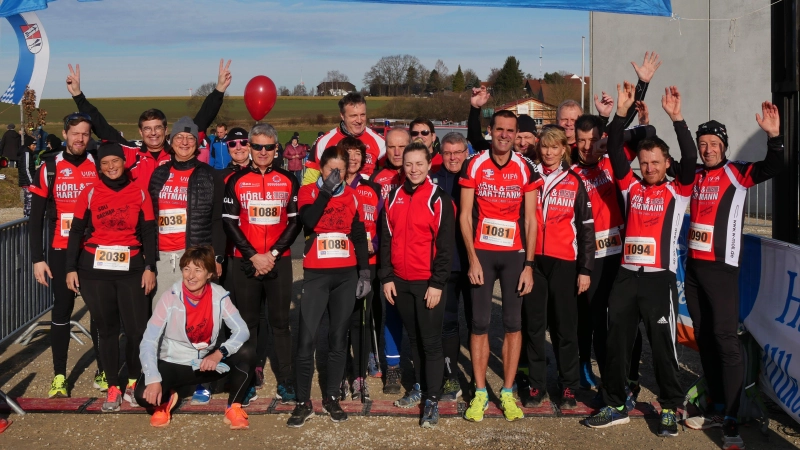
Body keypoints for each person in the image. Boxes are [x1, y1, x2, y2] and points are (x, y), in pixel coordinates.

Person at [586, 83, 696, 437]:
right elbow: (615, 146)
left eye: (655, 163)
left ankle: (669, 406)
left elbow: (690, 159)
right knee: (616, 342)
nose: (648, 167)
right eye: (644, 162)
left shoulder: (677, 191)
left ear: (667, 164)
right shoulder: (629, 186)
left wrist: (676, 118)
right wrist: (621, 111)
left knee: (663, 346)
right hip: (626, 277)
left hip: (658, 278)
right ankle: (617, 402)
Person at [680, 103, 783, 449]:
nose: (708, 149)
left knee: (725, 340)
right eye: (703, 143)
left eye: (714, 144)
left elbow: (773, 166)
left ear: (724, 146)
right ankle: (717, 404)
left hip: (722, 269)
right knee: (704, 337)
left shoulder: (736, 173)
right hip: (694, 268)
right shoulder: (694, 174)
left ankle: (732, 418)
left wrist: (774, 137)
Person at [460, 109, 543, 422]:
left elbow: (532, 220)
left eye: (511, 130)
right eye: (500, 130)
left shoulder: (525, 168)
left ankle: (507, 392)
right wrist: (471, 259)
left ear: (515, 132)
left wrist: (529, 265)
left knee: (512, 324)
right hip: (482, 253)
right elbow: (465, 216)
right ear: (490, 130)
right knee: (479, 324)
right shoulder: (476, 163)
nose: (505, 135)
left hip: (514, 256)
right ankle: (480, 392)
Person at [64, 142, 157, 411]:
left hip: (131, 266)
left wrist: (150, 266)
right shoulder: (90, 192)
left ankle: (132, 381)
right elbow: (76, 231)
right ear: (99, 167)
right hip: (94, 267)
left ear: (124, 162)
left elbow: (149, 232)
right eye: (104, 163)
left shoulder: (139, 191)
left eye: (115, 161)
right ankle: (113, 387)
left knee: (136, 330)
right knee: (107, 330)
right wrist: (70, 268)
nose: (110, 167)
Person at [571, 112, 655, 402]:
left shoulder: (613, 160)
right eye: (581, 141)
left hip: (621, 255)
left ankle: (630, 379)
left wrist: (609, 140)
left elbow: (648, 131)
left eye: (593, 140)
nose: (587, 147)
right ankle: (610, 383)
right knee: (597, 324)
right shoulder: (571, 172)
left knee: (625, 322)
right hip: (591, 259)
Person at [288, 146, 371, 427]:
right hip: (316, 275)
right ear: (321, 169)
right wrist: (326, 190)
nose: (336, 175)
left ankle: (332, 397)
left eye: (341, 171)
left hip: (345, 276)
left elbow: (358, 234)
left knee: (338, 339)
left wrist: (365, 273)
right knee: (306, 340)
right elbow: (308, 221)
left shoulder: (352, 195)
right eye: (331, 170)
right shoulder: (308, 191)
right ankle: (302, 401)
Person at [222, 123, 301, 406]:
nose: (263, 151)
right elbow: (229, 223)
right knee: (248, 324)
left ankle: (287, 381)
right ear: (250, 148)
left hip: (278, 261)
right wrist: (253, 255)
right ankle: (247, 380)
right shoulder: (236, 180)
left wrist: (274, 254)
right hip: (246, 262)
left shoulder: (289, 179)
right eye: (257, 146)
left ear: (276, 148)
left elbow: (295, 222)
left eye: (269, 146)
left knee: (281, 324)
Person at [29, 113, 106, 398]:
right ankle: (60, 376)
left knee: (99, 313)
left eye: (85, 134)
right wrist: (38, 258)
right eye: (75, 133)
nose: (80, 139)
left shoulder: (97, 164)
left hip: (91, 250)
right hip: (60, 250)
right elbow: (35, 218)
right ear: (65, 134)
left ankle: (104, 370)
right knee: (61, 312)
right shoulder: (50, 166)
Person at [136, 245, 254, 430]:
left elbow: (242, 330)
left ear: (209, 274)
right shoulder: (170, 297)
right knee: (143, 395)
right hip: (173, 362)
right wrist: (153, 379)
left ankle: (234, 407)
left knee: (247, 352)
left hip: (205, 363)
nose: (190, 276)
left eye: (198, 270)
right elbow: (149, 339)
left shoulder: (220, 296)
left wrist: (219, 353)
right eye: (186, 269)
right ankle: (166, 399)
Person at [66, 61, 231, 191]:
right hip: (142, 227)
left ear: (165, 130)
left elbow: (202, 121)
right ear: (140, 131)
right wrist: (77, 95)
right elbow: (102, 127)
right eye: (147, 128)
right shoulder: (131, 153)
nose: (153, 133)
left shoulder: (179, 150)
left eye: (158, 127)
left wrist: (219, 90)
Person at [381, 141, 454, 428]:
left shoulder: (439, 198)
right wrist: (386, 277)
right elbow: (387, 239)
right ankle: (421, 388)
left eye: (419, 164)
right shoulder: (393, 196)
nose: (413, 169)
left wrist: (437, 283)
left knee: (431, 342)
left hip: (428, 282)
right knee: (414, 340)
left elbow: (446, 247)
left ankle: (433, 400)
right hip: (401, 281)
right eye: (408, 164)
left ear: (428, 165)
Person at [522, 125, 594, 410]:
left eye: (555, 147)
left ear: (564, 148)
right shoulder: (530, 178)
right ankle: (537, 384)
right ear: (539, 148)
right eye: (545, 147)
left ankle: (568, 387)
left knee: (566, 329)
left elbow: (587, 228)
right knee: (535, 327)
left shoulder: (575, 181)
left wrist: (585, 269)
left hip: (565, 262)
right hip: (534, 262)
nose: (550, 152)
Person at [148, 117, 226, 311]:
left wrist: (217, 257)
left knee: (197, 314)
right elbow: (149, 218)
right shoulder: (159, 174)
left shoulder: (211, 175)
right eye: (179, 137)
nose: (184, 142)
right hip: (163, 258)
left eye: (190, 138)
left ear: (197, 143)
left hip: (195, 256)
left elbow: (218, 220)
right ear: (171, 141)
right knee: (163, 314)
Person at [339, 137, 382, 401]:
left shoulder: (372, 188)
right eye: (348, 154)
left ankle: (359, 377)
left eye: (358, 154)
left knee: (361, 322)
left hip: (368, 264)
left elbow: (380, 227)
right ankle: (342, 373)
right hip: (339, 262)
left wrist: (374, 245)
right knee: (340, 322)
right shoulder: (332, 187)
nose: (353, 159)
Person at [430, 132, 472, 402]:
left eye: (458, 152)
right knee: (447, 322)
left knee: (477, 322)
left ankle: (480, 381)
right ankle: (450, 376)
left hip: (474, 261)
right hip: (445, 263)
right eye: (447, 153)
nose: (453, 157)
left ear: (466, 153)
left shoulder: (477, 174)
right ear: (441, 153)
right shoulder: (431, 178)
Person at [369, 127, 409, 394]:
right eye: (391, 147)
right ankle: (392, 368)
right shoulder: (377, 178)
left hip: (414, 256)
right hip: (385, 256)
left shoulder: (419, 174)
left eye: (402, 147)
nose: (396, 152)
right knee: (391, 312)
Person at [302, 93, 385, 185]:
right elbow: (310, 180)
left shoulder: (380, 141)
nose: (359, 120)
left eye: (362, 115)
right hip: (335, 197)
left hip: (367, 196)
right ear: (342, 115)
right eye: (353, 116)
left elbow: (389, 176)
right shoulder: (324, 141)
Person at [18, 134, 37, 217]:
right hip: (28, 182)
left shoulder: (28, 153)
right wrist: (31, 183)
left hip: (27, 182)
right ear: (29, 145)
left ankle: (27, 219)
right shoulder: (26, 153)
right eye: (33, 145)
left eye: (35, 145)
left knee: (28, 202)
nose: (35, 147)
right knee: (30, 202)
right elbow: (26, 169)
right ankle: (28, 220)